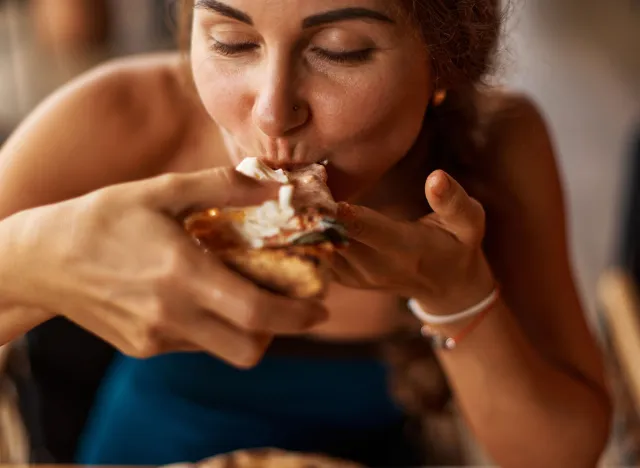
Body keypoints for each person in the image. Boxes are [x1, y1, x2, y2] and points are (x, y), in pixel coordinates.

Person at [0, 0, 612, 466]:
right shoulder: (123, 122)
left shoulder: (497, 144)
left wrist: (457, 294)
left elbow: (562, 453)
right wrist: (32, 261)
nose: (271, 111)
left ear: (443, 64)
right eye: (232, 42)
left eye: (340, 51)